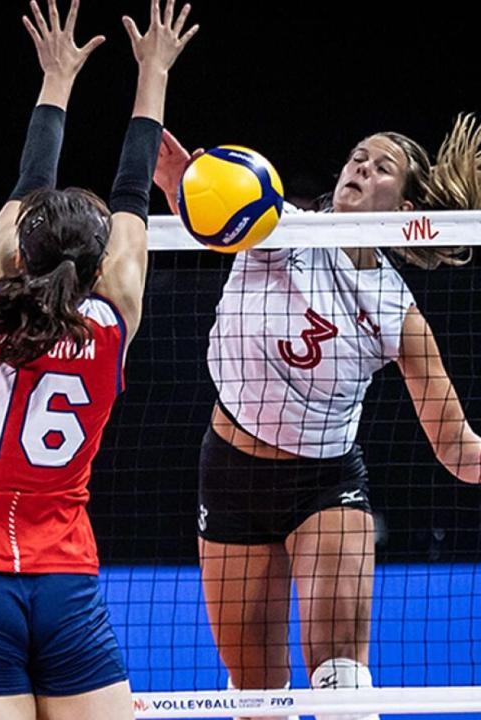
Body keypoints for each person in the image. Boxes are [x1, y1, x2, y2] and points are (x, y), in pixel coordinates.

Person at [0, 1, 197, 718]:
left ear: (19, 249)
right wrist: (153, 73)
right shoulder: (110, 326)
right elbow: (133, 190)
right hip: (64, 579)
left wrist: (57, 79)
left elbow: (26, 186)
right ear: (100, 261)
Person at [155, 111, 481, 719]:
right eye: (359, 155)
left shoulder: (394, 310)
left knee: (340, 683)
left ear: (404, 206)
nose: (362, 167)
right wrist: (173, 170)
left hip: (324, 485)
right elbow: (196, 198)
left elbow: (459, 449)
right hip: (229, 475)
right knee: (256, 693)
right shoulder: (274, 225)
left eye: (383, 167)